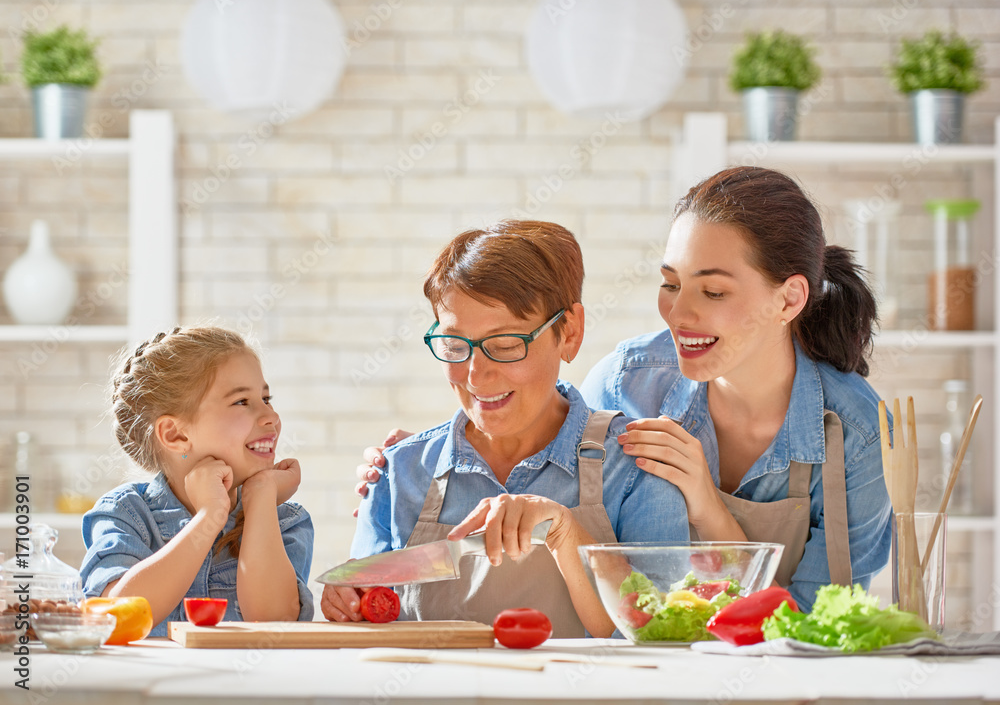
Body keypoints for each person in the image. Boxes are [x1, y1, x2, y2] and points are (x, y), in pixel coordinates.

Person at [357, 168, 893, 612]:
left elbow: (819, 623)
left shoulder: (855, 432)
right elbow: (541, 416)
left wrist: (707, 508)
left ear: (790, 298)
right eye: (670, 283)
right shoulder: (630, 379)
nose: (679, 314)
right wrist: (432, 454)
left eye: (712, 290)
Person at [322, 220, 689, 638]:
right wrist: (348, 606)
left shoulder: (637, 465)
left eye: (506, 344)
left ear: (569, 332)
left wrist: (566, 531)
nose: (477, 375)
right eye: (455, 345)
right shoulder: (399, 472)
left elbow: (663, 635)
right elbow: (369, 628)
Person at [80, 326, 314, 636]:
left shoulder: (285, 520)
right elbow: (117, 616)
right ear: (176, 435)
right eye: (242, 401)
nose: (271, 416)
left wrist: (260, 497)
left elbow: (275, 620)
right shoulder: (125, 514)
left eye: (266, 398)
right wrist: (209, 517)